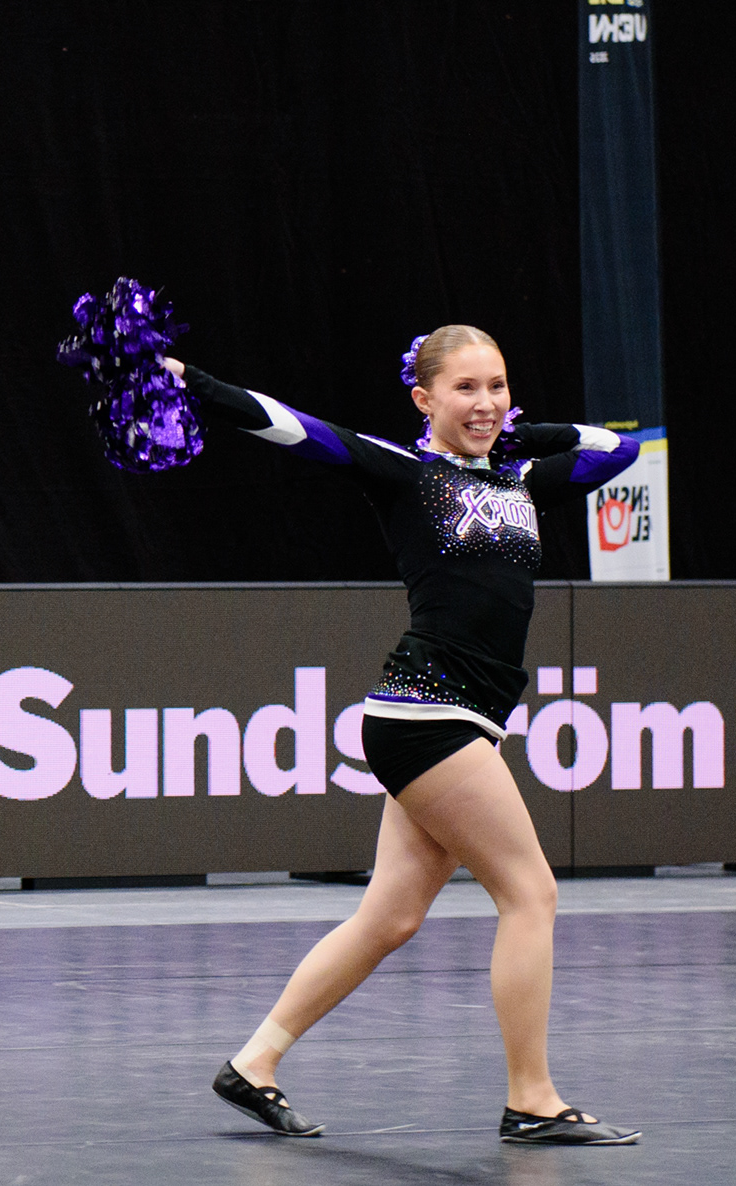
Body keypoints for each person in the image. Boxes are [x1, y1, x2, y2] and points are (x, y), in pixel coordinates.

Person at [171, 326, 641, 1146]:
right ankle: (531, 1099)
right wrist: (193, 380)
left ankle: (254, 1062)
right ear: (424, 399)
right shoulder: (406, 473)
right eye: (465, 389)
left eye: (497, 386)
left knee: (388, 919)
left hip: (455, 722)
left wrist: (525, 433)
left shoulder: (523, 479)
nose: (486, 403)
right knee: (531, 894)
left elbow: (617, 450)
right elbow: (293, 427)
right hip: (429, 717)